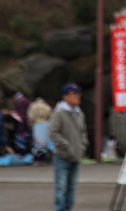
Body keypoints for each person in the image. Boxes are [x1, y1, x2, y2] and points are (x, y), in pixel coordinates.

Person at [49, 83, 88, 211]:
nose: (78, 96)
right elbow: (53, 133)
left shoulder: (79, 113)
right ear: (66, 97)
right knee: (61, 187)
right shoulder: (59, 113)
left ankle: (68, 208)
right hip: (62, 156)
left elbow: (83, 132)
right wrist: (66, 145)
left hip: (76, 156)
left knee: (72, 187)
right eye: (74, 94)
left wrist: (83, 145)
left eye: (78, 93)